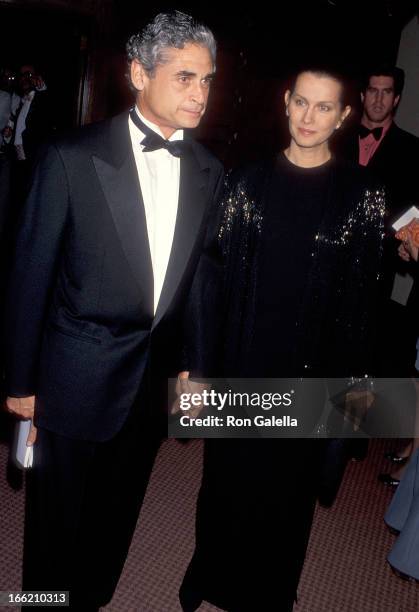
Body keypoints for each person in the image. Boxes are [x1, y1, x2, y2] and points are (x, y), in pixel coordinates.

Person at [4, 11, 222, 610]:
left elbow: (201, 279)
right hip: (74, 373)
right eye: (184, 78)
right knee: (55, 521)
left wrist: (194, 368)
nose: (200, 94)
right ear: (137, 73)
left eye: (207, 80)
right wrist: (20, 381)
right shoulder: (70, 156)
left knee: (117, 511)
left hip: (150, 384)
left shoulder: (209, 172)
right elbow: (29, 276)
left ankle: (92, 598)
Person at [180, 67, 385, 612]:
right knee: (227, 481)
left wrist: (354, 407)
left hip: (311, 372)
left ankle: (270, 592)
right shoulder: (244, 180)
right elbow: (209, 279)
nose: (309, 117)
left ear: (343, 116)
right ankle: (213, 576)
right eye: (301, 102)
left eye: (324, 108)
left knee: (287, 496)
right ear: (285, 101)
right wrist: (197, 369)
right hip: (243, 360)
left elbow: (363, 309)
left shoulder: (363, 196)